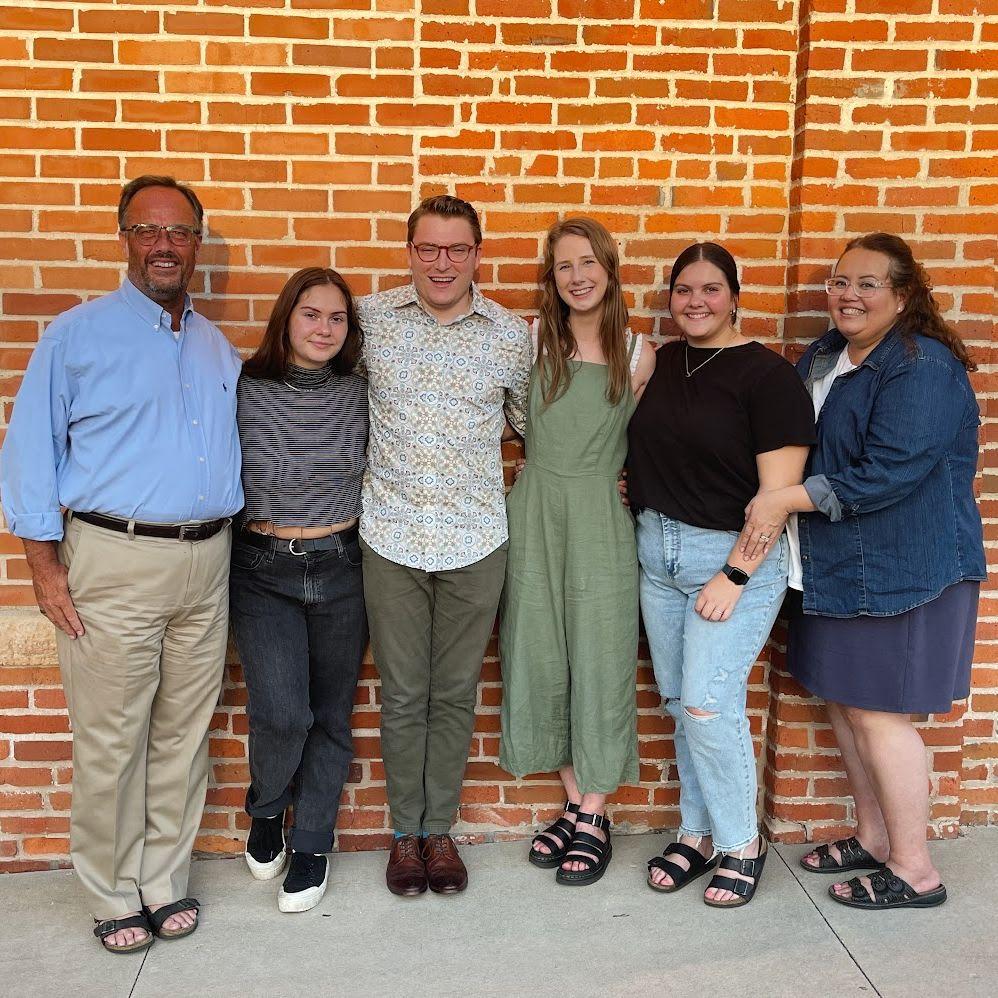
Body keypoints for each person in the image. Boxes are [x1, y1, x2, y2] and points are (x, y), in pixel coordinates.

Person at [0, 176, 242, 951]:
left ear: (197, 244)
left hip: (208, 562)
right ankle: (110, 888)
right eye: (148, 231)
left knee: (183, 733)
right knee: (110, 739)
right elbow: (31, 455)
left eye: (179, 233)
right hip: (113, 557)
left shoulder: (214, 345)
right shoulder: (76, 337)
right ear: (125, 239)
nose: (164, 245)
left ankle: (163, 878)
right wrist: (44, 569)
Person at [740, 233, 986, 910]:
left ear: (904, 295)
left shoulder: (922, 368)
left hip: (903, 570)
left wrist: (784, 499)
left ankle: (916, 870)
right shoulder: (826, 355)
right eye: (839, 282)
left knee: (881, 718)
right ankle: (876, 840)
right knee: (849, 710)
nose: (847, 294)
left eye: (867, 283)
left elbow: (887, 473)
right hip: (835, 568)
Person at [627, 242, 816, 907]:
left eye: (711, 289)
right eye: (684, 290)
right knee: (683, 706)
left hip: (729, 561)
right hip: (658, 558)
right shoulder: (665, 361)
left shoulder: (769, 378)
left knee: (709, 702)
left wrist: (733, 575)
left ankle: (742, 843)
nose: (696, 302)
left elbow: (775, 498)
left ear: (734, 295)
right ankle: (698, 832)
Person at [357, 195, 532, 896]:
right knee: (402, 693)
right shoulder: (369, 322)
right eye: (428, 248)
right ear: (409, 252)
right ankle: (405, 835)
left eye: (456, 249)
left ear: (477, 254)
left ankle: (440, 831)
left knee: (456, 692)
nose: (441, 262)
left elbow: (528, 423)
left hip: (476, 538)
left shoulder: (509, 335)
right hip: (391, 535)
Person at [499, 217, 654, 886]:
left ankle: (595, 812)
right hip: (534, 512)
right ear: (552, 279)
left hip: (600, 518)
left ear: (610, 270)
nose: (578, 276)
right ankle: (572, 799)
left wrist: (634, 485)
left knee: (601, 653)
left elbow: (660, 443)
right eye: (564, 266)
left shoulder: (639, 352)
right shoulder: (529, 342)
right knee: (541, 653)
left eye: (588, 263)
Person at [229, 268, 368, 913]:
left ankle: (311, 845)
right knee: (283, 712)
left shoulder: (365, 389)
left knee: (332, 717)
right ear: (287, 318)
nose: (323, 328)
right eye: (311, 314)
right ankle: (266, 807)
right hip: (263, 568)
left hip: (341, 564)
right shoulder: (245, 386)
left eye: (336, 317)